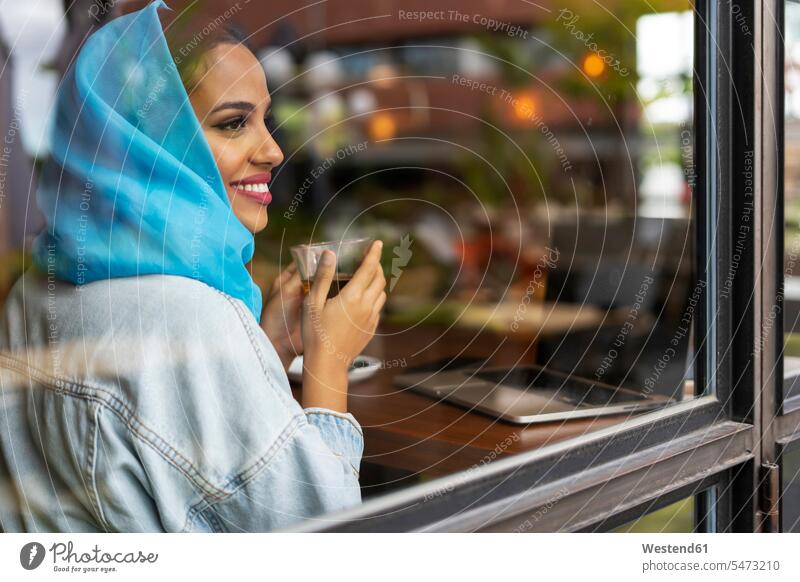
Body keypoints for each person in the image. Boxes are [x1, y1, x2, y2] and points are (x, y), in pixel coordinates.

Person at [0, 0, 385, 532]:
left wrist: (263, 346)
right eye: (233, 124)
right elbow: (323, 536)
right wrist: (330, 361)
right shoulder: (194, 317)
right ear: (151, 144)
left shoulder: (33, 291)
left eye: (264, 122)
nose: (272, 150)